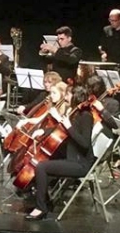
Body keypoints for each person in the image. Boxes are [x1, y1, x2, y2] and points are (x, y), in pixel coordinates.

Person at [24, 86, 96, 220]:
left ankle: (41, 208)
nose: (66, 97)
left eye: (68, 94)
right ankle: (45, 203)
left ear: (76, 97)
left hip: (80, 163)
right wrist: (43, 132)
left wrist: (68, 126)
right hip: (70, 157)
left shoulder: (86, 116)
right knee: (36, 164)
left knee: (41, 167)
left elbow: (85, 143)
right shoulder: (75, 112)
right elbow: (60, 130)